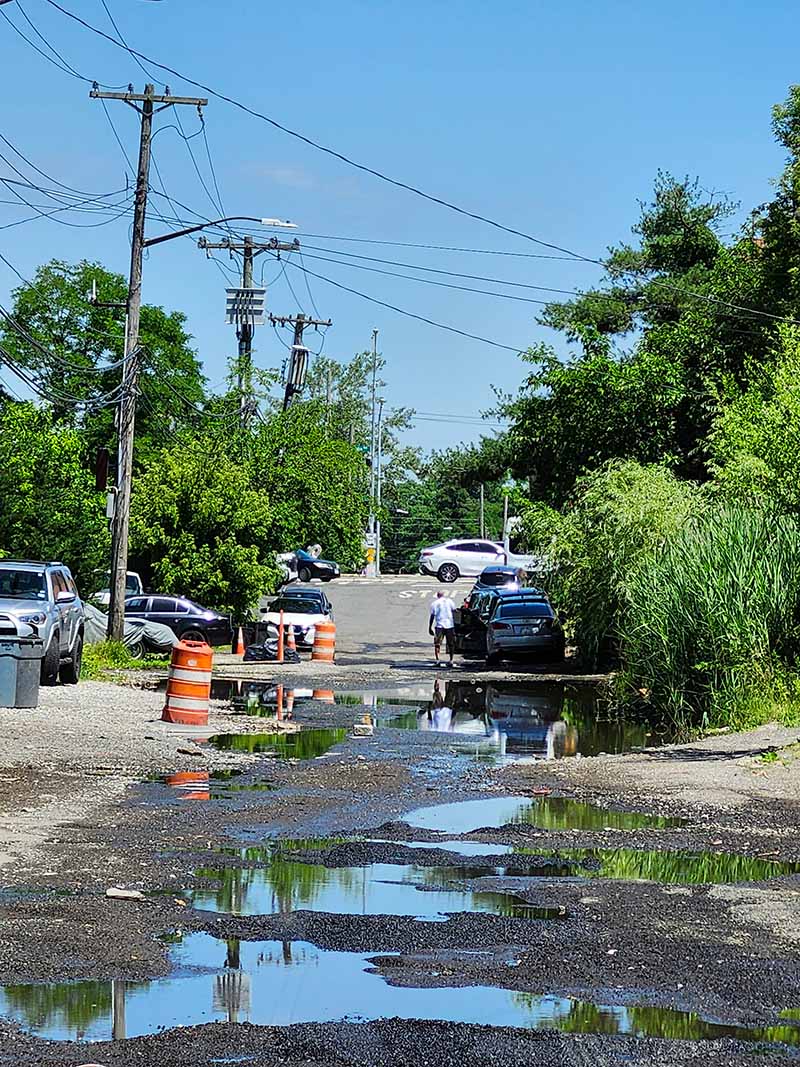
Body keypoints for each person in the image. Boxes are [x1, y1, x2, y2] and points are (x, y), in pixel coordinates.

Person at [429, 590, 455, 667]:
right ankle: (451, 660)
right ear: (444, 595)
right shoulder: (450, 601)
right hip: (450, 625)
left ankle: (437, 660)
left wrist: (430, 627)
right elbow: (454, 611)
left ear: (437, 596)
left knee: (437, 643)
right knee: (451, 643)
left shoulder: (434, 603)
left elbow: (432, 616)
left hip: (439, 625)